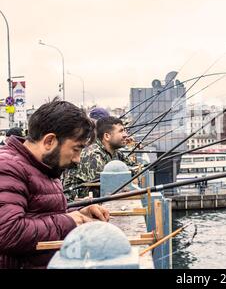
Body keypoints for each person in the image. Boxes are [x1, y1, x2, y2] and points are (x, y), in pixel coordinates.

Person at [0, 98, 110, 269]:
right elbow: (7, 231)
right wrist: (69, 221)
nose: (78, 159)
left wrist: (80, 213)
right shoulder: (8, 166)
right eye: (76, 149)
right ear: (49, 141)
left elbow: (40, 213)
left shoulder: (43, 166)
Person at [63, 116, 136, 200]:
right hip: (76, 204)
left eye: (125, 131)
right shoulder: (93, 154)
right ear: (107, 136)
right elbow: (106, 183)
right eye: (121, 131)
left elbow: (134, 167)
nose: (126, 135)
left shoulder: (115, 152)